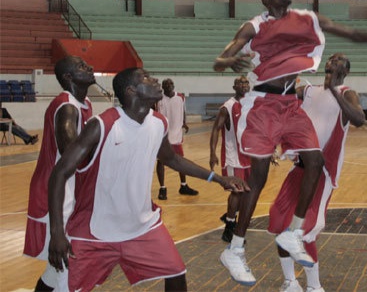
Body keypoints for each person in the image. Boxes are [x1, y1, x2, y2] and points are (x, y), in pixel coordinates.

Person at [214, 0, 367, 286]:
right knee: (257, 181)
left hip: (287, 105)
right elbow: (221, 58)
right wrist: (226, 61)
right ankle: (236, 249)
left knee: (314, 162)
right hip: (262, 104)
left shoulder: (306, 20)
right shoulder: (254, 26)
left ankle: (295, 234)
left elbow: (349, 33)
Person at [47, 67, 248, 292]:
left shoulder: (158, 123)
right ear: (131, 90)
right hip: (96, 230)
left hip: (142, 227)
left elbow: (172, 159)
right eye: (146, 77)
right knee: (62, 287)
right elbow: (59, 173)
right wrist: (56, 233)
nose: (154, 80)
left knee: (176, 273)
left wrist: (218, 178)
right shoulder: (102, 125)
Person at [269, 53, 365, 292]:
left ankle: (314, 287)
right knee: (280, 223)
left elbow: (359, 119)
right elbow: (283, 100)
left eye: (339, 61)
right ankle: (290, 282)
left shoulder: (346, 93)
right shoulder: (310, 90)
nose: (333, 61)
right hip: (298, 168)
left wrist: (333, 90)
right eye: (331, 59)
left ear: (345, 71)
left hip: (321, 173)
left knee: (305, 230)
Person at [23, 56, 95, 292]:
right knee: (69, 270)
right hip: (55, 194)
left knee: (55, 273)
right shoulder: (67, 107)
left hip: (68, 191)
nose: (90, 68)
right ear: (68, 77)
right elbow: (70, 150)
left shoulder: (83, 102)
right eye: (82, 66)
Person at [209, 76, 251, 242]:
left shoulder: (251, 104)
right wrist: (212, 153)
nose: (244, 85)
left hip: (249, 157)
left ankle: (229, 216)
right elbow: (215, 130)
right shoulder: (227, 107)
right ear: (234, 87)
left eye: (246, 82)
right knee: (237, 191)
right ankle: (229, 229)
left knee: (247, 192)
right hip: (233, 157)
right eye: (240, 83)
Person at [155, 78, 198, 200]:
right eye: (165, 84)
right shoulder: (159, 99)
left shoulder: (180, 97)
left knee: (180, 161)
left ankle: (183, 186)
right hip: (162, 135)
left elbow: (183, 111)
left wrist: (184, 122)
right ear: (163, 87)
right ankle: (162, 188)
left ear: (173, 85)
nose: (168, 86)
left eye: (170, 84)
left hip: (176, 134)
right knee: (160, 161)